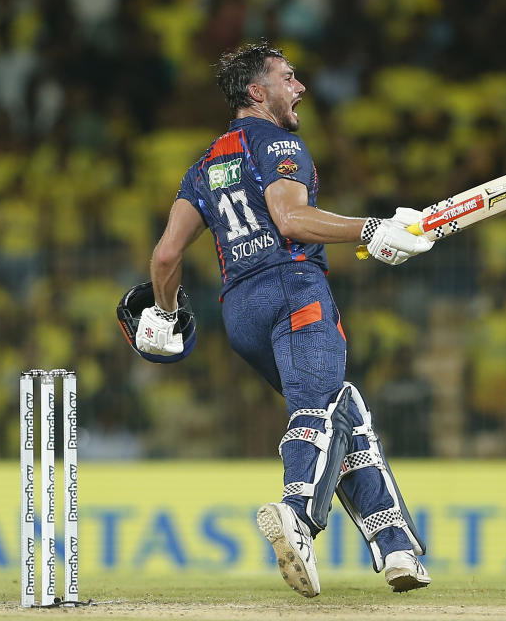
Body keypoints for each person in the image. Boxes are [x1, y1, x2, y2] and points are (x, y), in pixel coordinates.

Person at [136, 41, 433, 596]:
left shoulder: (202, 167)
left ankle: (395, 548)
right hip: (295, 292)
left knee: (343, 408)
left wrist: (167, 314)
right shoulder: (278, 142)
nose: (299, 88)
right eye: (288, 77)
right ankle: (297, 514)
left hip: (240, 313)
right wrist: (372, 230)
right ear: (258, 91)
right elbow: (292, 220)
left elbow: (166, 258)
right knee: (316, 409)